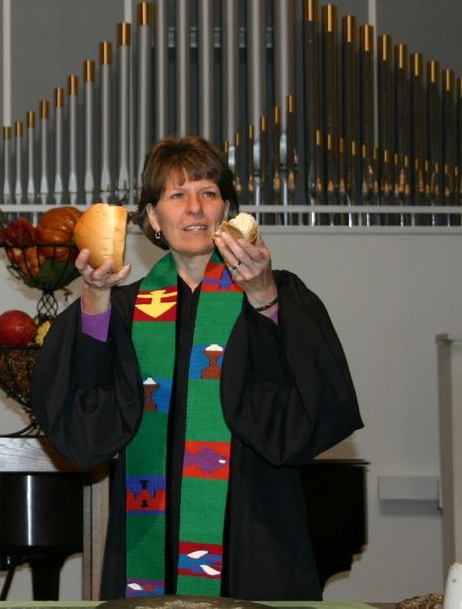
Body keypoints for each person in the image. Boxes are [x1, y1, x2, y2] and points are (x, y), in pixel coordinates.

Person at [31, 135, 362, 600]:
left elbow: (312, 400)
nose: (194, 209)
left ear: (226, 210)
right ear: (153, 219)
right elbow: (85, 413)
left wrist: (264, 298)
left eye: (208, 193)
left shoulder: (277, 293)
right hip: (151, 526)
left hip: (252, 519)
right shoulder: (123, 307)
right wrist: (95, 299)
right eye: (177, 195)